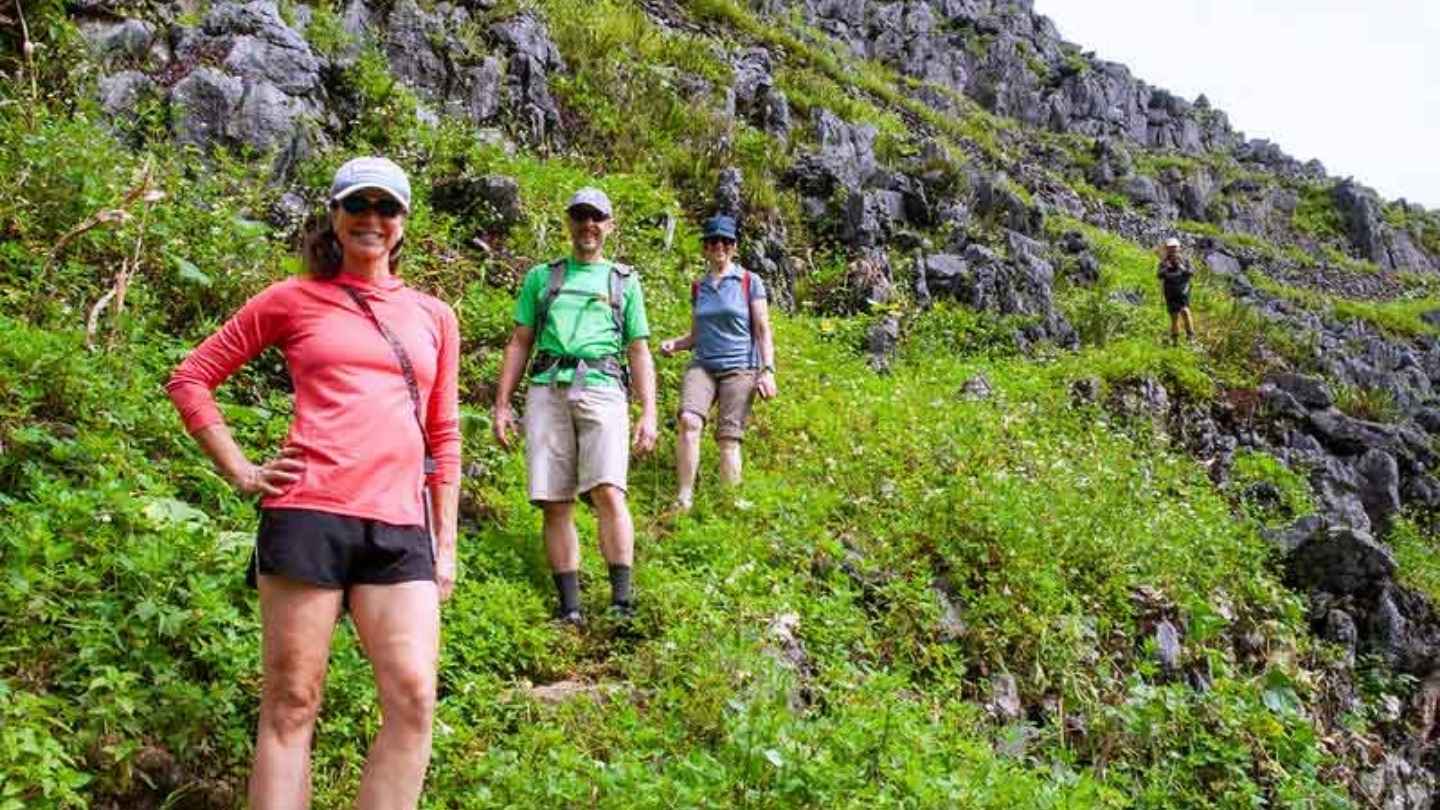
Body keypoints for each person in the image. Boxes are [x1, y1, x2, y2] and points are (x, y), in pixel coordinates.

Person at [166, 157, 459, 809]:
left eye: (388, 208)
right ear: (334, 215)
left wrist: (447, 542)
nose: (372, 220)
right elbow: (191, 378)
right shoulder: (292, 299)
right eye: (359, 206)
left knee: (413, 697)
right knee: (293, 702)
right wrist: (241, 469)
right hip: (307, 513)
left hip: (401, 524)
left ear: (404, 223)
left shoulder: (434, 315)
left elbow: (444, 434)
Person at [491, 187, 658, 626]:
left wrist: (649, 412)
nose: (588, 225)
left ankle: (622, 601)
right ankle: (571, 608)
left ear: (609, 225)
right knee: (554, 500)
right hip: (547, 388)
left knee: (608, 490)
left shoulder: (623, 280)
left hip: (603, 388)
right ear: (569, 222)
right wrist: (502, 404)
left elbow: (638, 350)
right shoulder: (542, 278)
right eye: (581, 216)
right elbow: (520, 341)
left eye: (596, 217)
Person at [659, 215, 776, 511]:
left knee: (728, 437)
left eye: (725, 241)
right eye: (712, 241)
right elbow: (697, 335)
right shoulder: (699, 287)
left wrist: (768, 371)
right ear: (705, 248)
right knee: (688, 420)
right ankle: (684, 497)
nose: (719, 246)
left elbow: (762, 329)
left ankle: (729, 501)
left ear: (734, 246)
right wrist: (676, 344)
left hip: (740, 367)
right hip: (704, 365)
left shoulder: (750, 281)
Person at [1157, 237, 1196, 345]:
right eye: (1170, 247)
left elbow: (1191, 273)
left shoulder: (1185, 260)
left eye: (1174, 247)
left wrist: (1181, 267)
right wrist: (1166, 268)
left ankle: (1191, 337)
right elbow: (1159, 275)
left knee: (1185, 311)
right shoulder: (1164, 262)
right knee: (1174, 316)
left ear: (1179, 248)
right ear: (1167, 249)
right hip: (1170, 292)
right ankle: (1175, 340)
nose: (1172, 249)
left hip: (1183, 290)